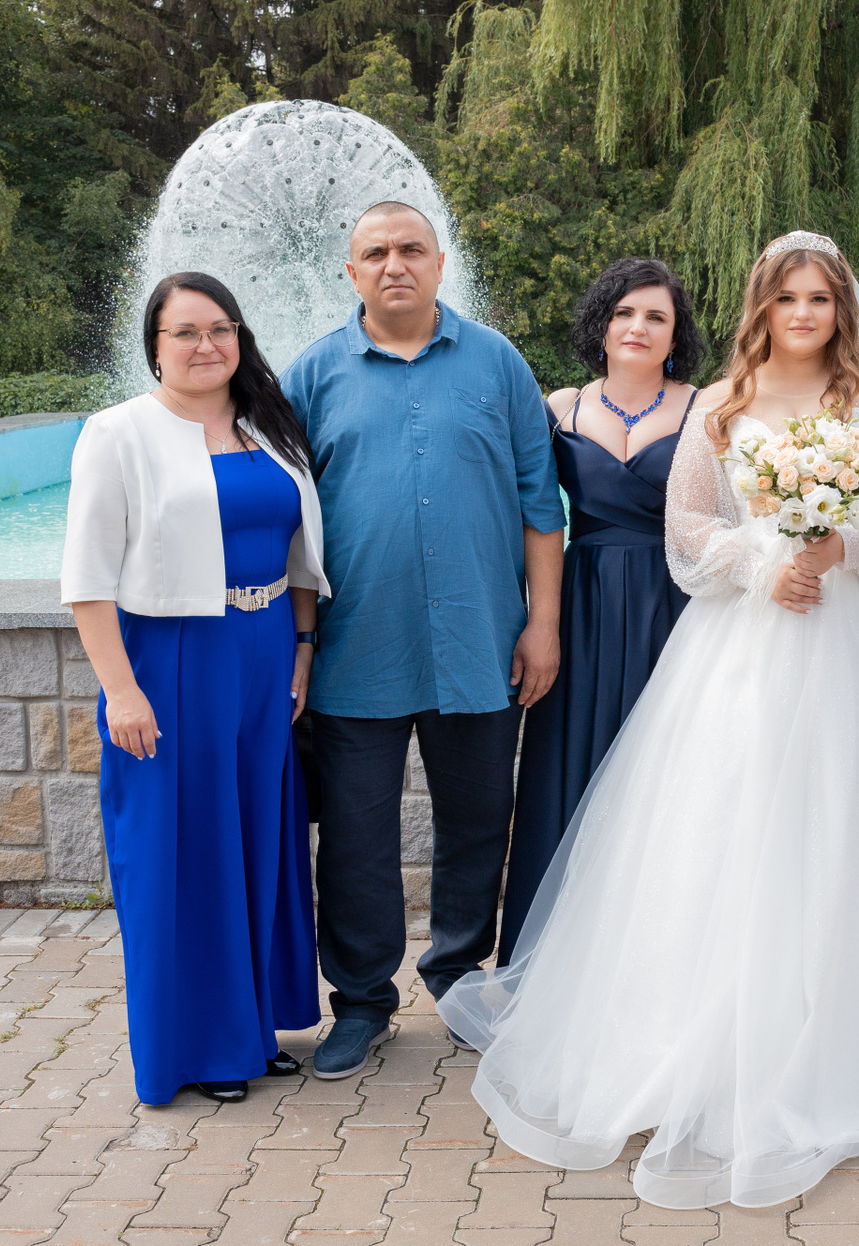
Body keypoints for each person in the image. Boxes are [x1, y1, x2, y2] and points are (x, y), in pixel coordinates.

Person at [438, 231, 859, 1210]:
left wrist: (837, 545)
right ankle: (697, 1038)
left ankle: (857, 1039)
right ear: (763, 307)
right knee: (723, 825)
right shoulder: (722, 403)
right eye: (788, 298)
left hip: (851, 645)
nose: (804, 314)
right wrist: (763, 561)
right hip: (741, 642)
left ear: (840, 307)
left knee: (849, 825)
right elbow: (687, 528)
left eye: (820, 298)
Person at [280, 201, 566, 1078]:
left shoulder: (497, 362)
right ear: (352, 272)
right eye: (376, 252)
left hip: (481, 641)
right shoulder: (312, 375)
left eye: (411, 249)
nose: (394, 264)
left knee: (477, 825)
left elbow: (540, 501)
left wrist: (543, 624)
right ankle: (363, 1002)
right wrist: (298, 644)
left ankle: (457, 981)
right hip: (355, 651)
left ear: (441, 262)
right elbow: (286, 522)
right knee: (356, 840)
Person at [62, 271, 327, 1105]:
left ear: (239, 337)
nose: (206, 345)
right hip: (172, 661)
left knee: (255, 838)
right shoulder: (118, 433)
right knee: (182, 851)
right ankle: (203, 1048)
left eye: (220, 328)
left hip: (263, 653)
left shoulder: (270, 425)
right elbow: (86, 580)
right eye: (185, 332)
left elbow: (299, 555)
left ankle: (254, 1028)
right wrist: (122, 691)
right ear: (155, 348)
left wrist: (302, 647)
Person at [500, 258, 708, 962]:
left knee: (670, 772)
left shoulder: (707, 408)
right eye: (623, 312)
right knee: (571, 767)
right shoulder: (560, 406)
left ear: (676, 334)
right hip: (579, 608)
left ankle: (661, 954)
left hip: (675, 607)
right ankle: (555, 957)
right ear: (602, 324)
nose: (637, 327)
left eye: (655, 316)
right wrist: (535, 619)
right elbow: (530, 511)